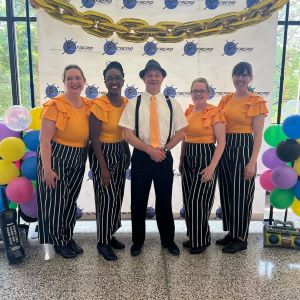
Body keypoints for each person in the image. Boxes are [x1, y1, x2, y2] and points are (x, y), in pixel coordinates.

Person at [119, 59, 187, 257]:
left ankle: (168, 241)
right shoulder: (134, 103)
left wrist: (164, 148)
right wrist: (149, 150)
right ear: (143, 78)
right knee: (138, 201)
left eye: (157, 75)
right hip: (141, 155)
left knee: (164, 201)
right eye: (149, 75)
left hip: (164, 156)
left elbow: (182, 131)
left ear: (162, 78)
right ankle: (137, 241)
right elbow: (128, 134)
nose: (153, 78)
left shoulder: (171, 103)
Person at [37, 65, 91, 259]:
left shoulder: (87, 104)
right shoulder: (54, 105)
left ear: (84, 81)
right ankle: (58, 242)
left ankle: (67, 236)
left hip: (79, 155)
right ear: (64, 82)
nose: (74, 82)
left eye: (78, 78)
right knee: (56, 201)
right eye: (69, 78)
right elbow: (44, 141)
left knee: (70, 200)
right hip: (56, 155)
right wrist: (47, 168)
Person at [217, 62, 268, 254]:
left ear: (250, 78)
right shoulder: (225, 100)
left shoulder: (256, 101)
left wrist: (252, 161)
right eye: (237, 75)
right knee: (228, 192)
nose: (240, 79)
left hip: (243, 148)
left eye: (244, 75)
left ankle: (242, 237)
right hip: (225, 147)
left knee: (241, 194)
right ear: (232, 77)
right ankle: (232, 232)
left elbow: (258, 135)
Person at [89, 61, 130, 261]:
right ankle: (102, 242)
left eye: (117, 77)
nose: (114, 81)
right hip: (102, 152)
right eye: (110, 78)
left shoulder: (126, 103)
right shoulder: (98, 104)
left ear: (123, 79)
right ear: (105, 81)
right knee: (105, 198)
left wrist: (127, 152)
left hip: (120, 149)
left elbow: (125, 131)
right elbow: (94, 139)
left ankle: (110, 233)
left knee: (116, 196)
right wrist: (103, 168)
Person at [179, 78, 226, 254]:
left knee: (198, 201)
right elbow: (184, 137)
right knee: (188, 201)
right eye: (195, 90)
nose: (198, 94)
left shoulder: (215, 112)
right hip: (189, 157)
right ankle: (195, 237)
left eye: (202, 90)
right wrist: (181, 160)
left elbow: (221, 143)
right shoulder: (189, 111)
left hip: (206, 157)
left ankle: (200, 241)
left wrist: (212, 167)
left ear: (208, 93)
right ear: (191, 93)